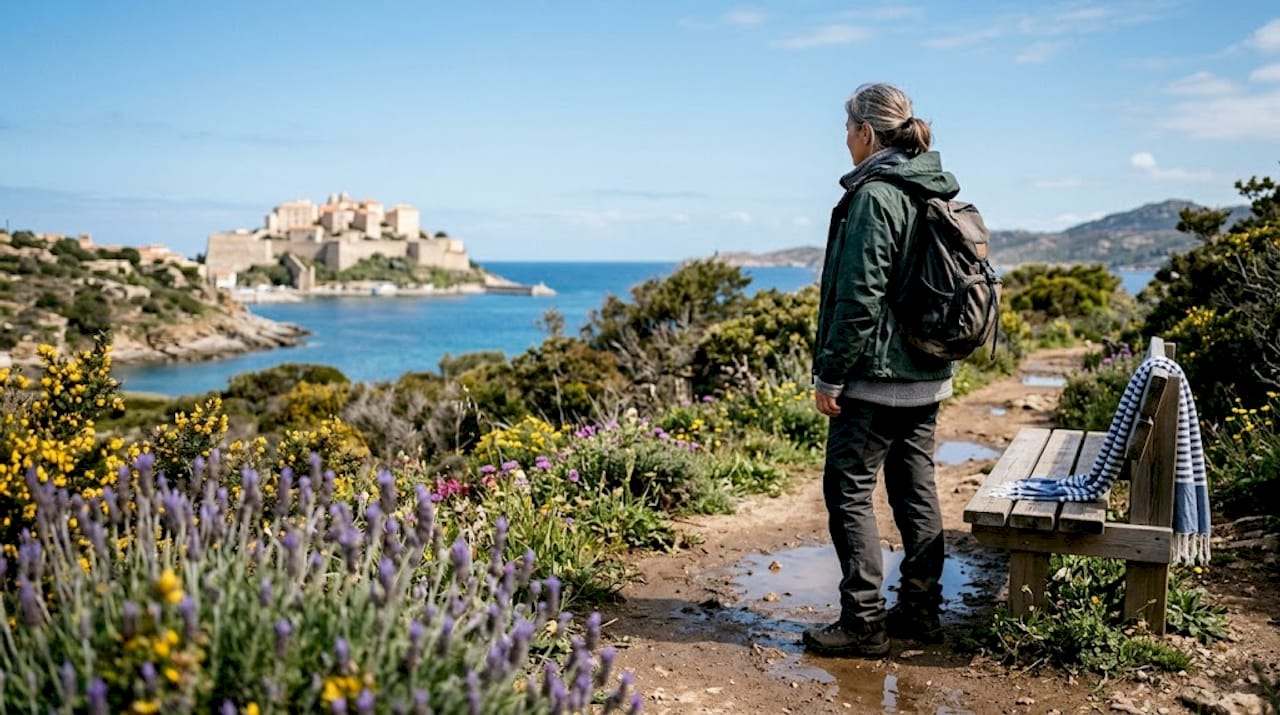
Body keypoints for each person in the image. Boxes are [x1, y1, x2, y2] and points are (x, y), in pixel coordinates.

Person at [805, 82, 958, 657]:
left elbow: (860, 296)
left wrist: (830, 375)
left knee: (848, 492)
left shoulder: (875, 196)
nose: (844, 141)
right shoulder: (932, 188)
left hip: (875, 379)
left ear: (866, 132)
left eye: (847, 130)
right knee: (915, 489)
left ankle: (863, 623)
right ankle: (919, 611)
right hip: (928, 372)